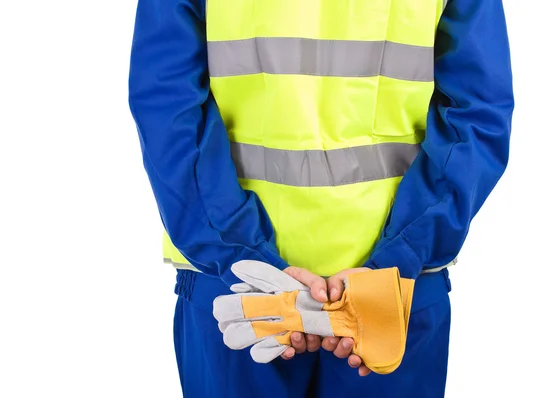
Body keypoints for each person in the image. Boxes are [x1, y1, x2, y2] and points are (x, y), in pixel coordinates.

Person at [128, 0, 513, 396]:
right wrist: (399, 257)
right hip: (389, 292)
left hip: (241, 289)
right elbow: (477, 117)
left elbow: (167, 107)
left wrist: (241, 255)